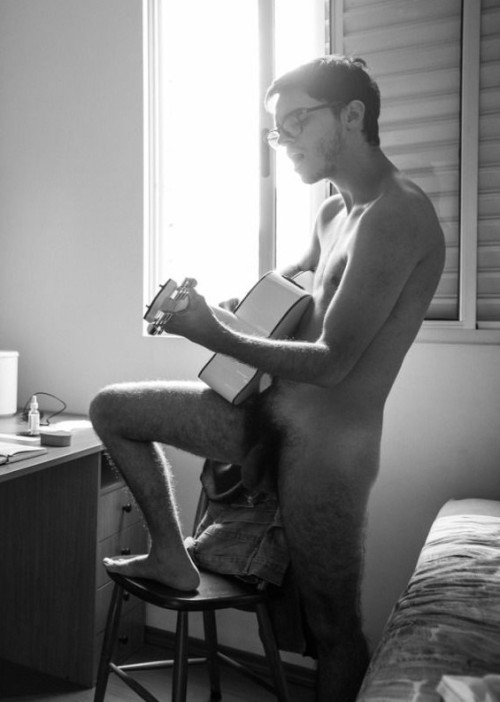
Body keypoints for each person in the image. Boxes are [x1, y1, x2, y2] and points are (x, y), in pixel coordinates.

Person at [90, 55, 445, 702]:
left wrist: (210, 331)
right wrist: (217, 307)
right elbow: (287, 297)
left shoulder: (398, 216)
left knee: (330, 625)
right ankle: (170, 552)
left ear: (353, 116)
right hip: (263, 415)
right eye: (274, 131)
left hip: (327, 454)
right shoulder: (334, 212)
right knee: (112, 409)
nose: (282, 143)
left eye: (294, 124)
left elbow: (335, 361)